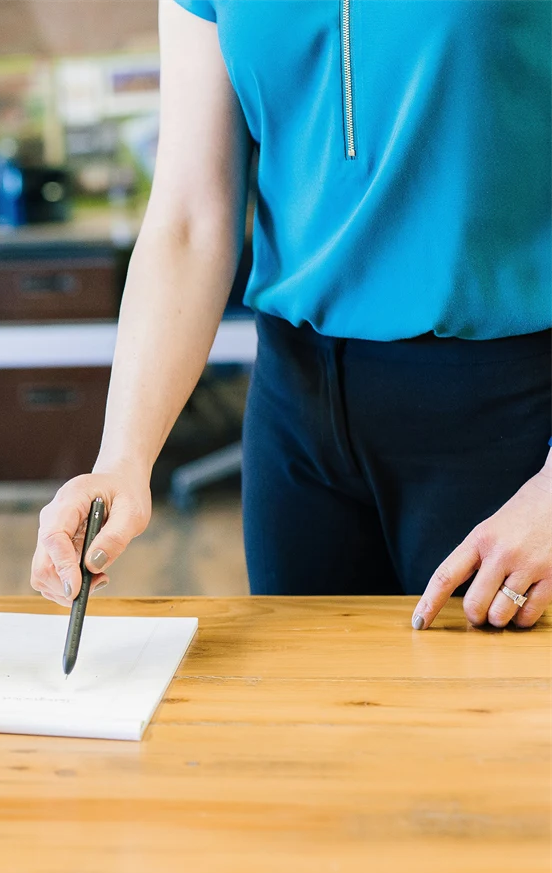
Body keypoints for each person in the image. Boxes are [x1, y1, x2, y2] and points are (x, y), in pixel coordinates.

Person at [30, 0, 552, 629]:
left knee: (494, 722)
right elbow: (191, 217)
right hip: (296, 414)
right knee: (308, 719)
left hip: (512, 413)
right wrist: (122, 459)